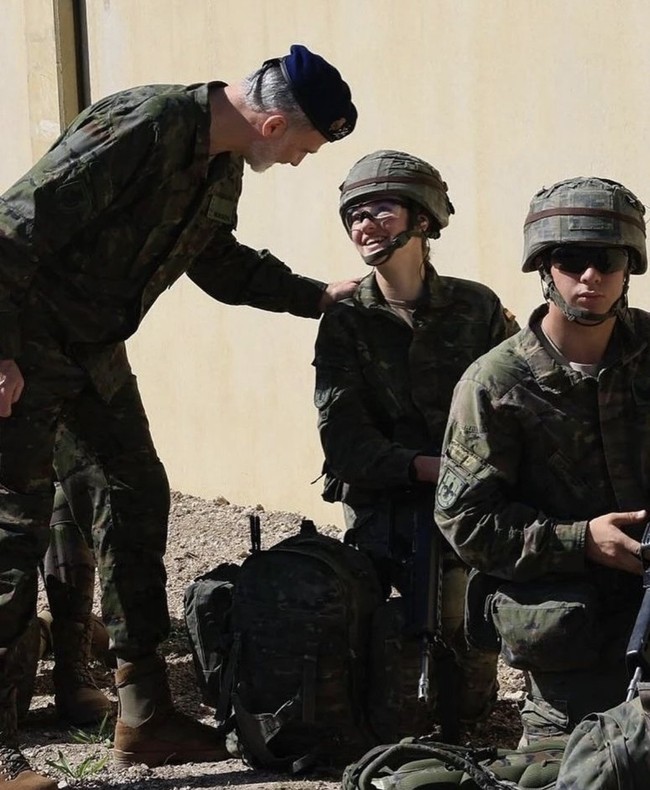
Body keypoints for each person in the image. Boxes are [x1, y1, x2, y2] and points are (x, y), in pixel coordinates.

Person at [0, 43, 358, 788]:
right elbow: (14, 226)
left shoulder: (220, 164)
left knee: (135, 493)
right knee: (11, 533)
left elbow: (215, 260)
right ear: (272, 126)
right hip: (26, 345)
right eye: (304, 147)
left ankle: (143, 712)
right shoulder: (147, 125)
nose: (299, 161)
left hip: (92, 352)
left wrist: (315, 296)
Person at [434, 176, 648, 745]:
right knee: (581, 770)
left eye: (607, 260)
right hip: (574, 638)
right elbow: (466, 523)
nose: (590, 276)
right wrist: (582, 540)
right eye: (571, 259)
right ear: (544, 268)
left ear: (629, 267)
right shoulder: (495, 384)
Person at [313, 149, 519, 732]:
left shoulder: (475, 306)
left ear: (423, 219)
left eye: (381, 210)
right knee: (385, 655)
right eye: (355, 215)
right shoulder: (347, 320)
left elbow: (516, 404)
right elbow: (344, 442)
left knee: (467, 686)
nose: (365, 225)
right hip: (385, 501)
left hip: (470, 500)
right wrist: (421, 467)